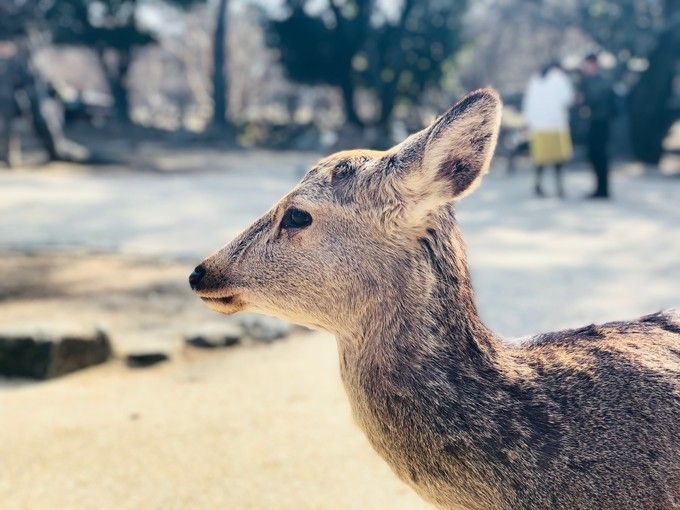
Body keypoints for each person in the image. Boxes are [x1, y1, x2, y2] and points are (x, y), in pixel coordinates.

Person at [522, 61, 574, 197]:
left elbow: (527, 103)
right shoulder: (560, 79)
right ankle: (560, 188)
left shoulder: (534, 80)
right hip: (556, 125)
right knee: (558, 159)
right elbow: (568, 99)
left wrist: (529, 122)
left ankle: (538, 185)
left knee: (541, 159)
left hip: (538, 127)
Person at [580, 53, 617, 199]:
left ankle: (603, 190)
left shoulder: (600, 81)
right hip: (595, 122)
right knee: (594, 155)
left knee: (600, 156)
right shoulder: (590, 81)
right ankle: (600, 188)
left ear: (594, 65)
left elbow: (596, 99)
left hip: (601, 123)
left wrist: (583, 99)